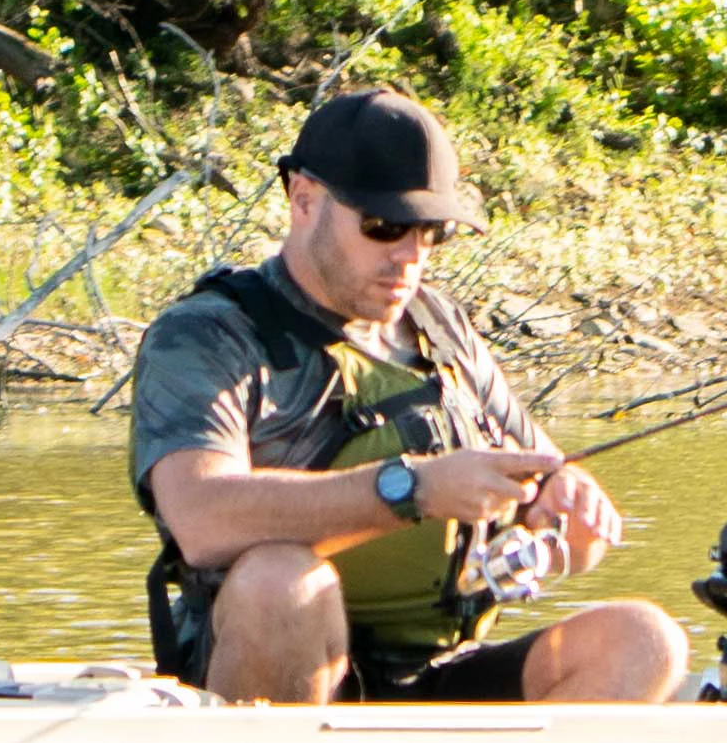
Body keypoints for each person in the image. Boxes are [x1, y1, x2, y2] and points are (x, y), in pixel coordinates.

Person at [128, 88, 690, 704]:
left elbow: (545, 490)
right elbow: (201, 519)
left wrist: (567, 517)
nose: (409, 257)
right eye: (384, 226)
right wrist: (412, 488)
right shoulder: (209, 335)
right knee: (280, 583)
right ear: (304, 200)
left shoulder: (441, 326)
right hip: (278, 664)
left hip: (445, 669)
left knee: (646, 639)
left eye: (431, 233)